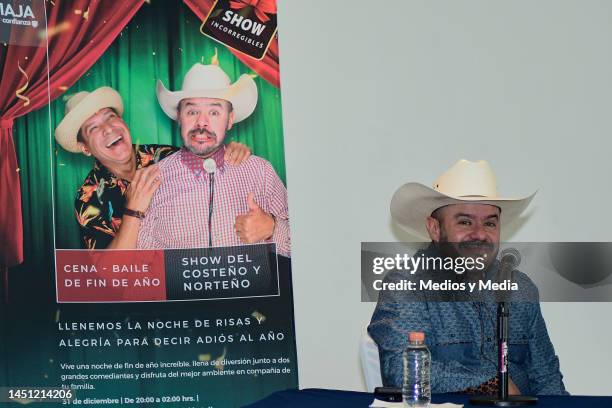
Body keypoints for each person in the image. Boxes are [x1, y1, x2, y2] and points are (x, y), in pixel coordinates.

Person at [368, 159, 567, 395]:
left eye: (490, 223)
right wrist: (494, 385)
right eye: (465, 222)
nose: (480, 234)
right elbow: (403, 372)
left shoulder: (520, 288)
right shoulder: (408, 284)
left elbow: (546, 378)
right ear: (434, 229)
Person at [54, 87, 251, 249]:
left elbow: (214, 179)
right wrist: (133, 210)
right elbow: (109, 272)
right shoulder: (87, 199)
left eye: (110, 117)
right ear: (86, 148)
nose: (108, 128)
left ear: (122, 121)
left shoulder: (166, 155)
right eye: (94, 128)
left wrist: (230, 152)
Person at [136, 63, 290, 256]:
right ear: (179, 117)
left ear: (230, 119)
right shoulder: (152, 181)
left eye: (214, 112)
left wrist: (272, 228)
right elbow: (142, 260)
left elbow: (307, 247)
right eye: (192, 112)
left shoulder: (260, 172)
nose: (202, 122)